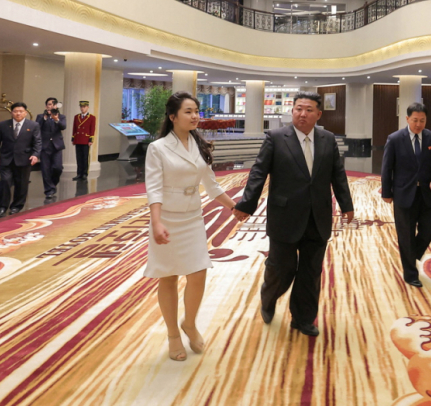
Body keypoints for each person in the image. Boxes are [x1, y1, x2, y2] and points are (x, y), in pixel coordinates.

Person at [233, 91, 354, 337]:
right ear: (292, 111)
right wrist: (247, 204)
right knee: (281, 269)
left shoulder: (328, 139)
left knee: (311, 272)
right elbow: (259, 172)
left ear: (318, 114)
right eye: (299, 108)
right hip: (285, 216)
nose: (303, 114)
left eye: (309, 110)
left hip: (317, 216)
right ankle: (269, 296)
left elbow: (337, 174)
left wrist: (346, 204)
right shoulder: (276, 138)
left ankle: (303, 319)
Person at [144, 92, 240, 361]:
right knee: (169, 276)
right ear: (173, 117)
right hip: (167, 218)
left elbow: (212, 185)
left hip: (193, 218)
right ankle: (173, 334)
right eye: (188, 111)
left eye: (196, 111)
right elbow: (154, 188)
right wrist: (156, 221)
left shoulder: (198, 145)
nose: (195, 116)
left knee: (198, 273)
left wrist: (234, 207)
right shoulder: (158, 148)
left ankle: (189, 323)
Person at [381, 102, 431, 288]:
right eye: (415, 120)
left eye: (422, 120)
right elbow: (387, 168)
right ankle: (410, 274)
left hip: (426, 194)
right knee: (406, 235)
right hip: (403, 194)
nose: (418, 124)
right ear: (407, 119)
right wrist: (386, 192)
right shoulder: (395, 139)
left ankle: (410, 254)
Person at [0, 102, 41, 217]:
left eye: (21, 111)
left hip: (24, 159)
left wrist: (35, 155)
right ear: (12, 113)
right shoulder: (3, 125)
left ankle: (16, 206)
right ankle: (2, 207)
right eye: (15, 111)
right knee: (5, 182)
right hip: (6, 158)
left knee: (21, 184)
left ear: (25, 113)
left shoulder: (33, 125)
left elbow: (37, 142)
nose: (18, 113)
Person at [37, 97, 66, 200]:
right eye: (49, 104)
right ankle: (49, 191)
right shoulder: (40, 116)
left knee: (58, 168)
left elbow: (63, 126)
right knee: (45, 169)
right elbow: (37, 127)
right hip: (44, 146)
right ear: (46, 106)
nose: (51, 106)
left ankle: (52, 184)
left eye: (53, 104)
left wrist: (56, 119)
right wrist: (45, 118)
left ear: (56, 106)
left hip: (56, 146)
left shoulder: (61, 116)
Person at [71, 100, 96, 181]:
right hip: (78, 139)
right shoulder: (76, 117)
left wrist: (91, 139)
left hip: (85, 139)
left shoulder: (91, 117)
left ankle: (85, 173)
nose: (82, 108)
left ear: (88, 107)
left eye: (84, 107)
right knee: (78, 157)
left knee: (85, 157)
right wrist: (73, 137)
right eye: (81, 107)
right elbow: (74, 128)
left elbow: (92, 129)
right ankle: (79, 173)